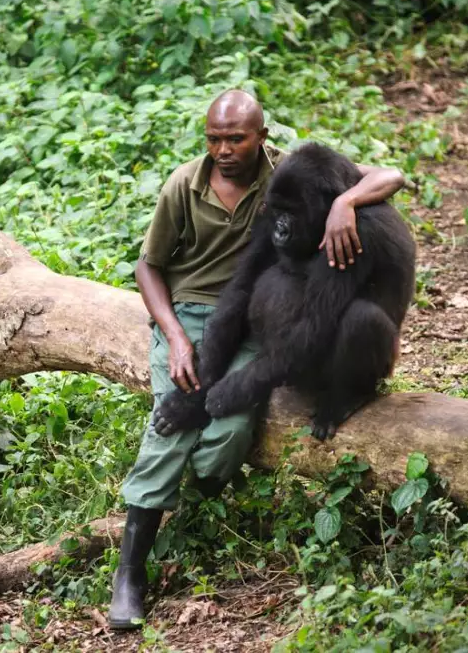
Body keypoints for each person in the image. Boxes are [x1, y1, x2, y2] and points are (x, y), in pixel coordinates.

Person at [108, 90, 406, 629]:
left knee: (231, 421)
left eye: (236, 138)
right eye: (214, 138)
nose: (225, 148)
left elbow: (310, 338)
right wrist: (188, 363)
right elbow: (236, 294)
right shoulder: (248, 188)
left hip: (347, 349)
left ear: (260, 139)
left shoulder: (343, 223)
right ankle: (130, 570)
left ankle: (346, 398)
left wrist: (345, 204)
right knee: (173, 422)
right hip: (200, 318)